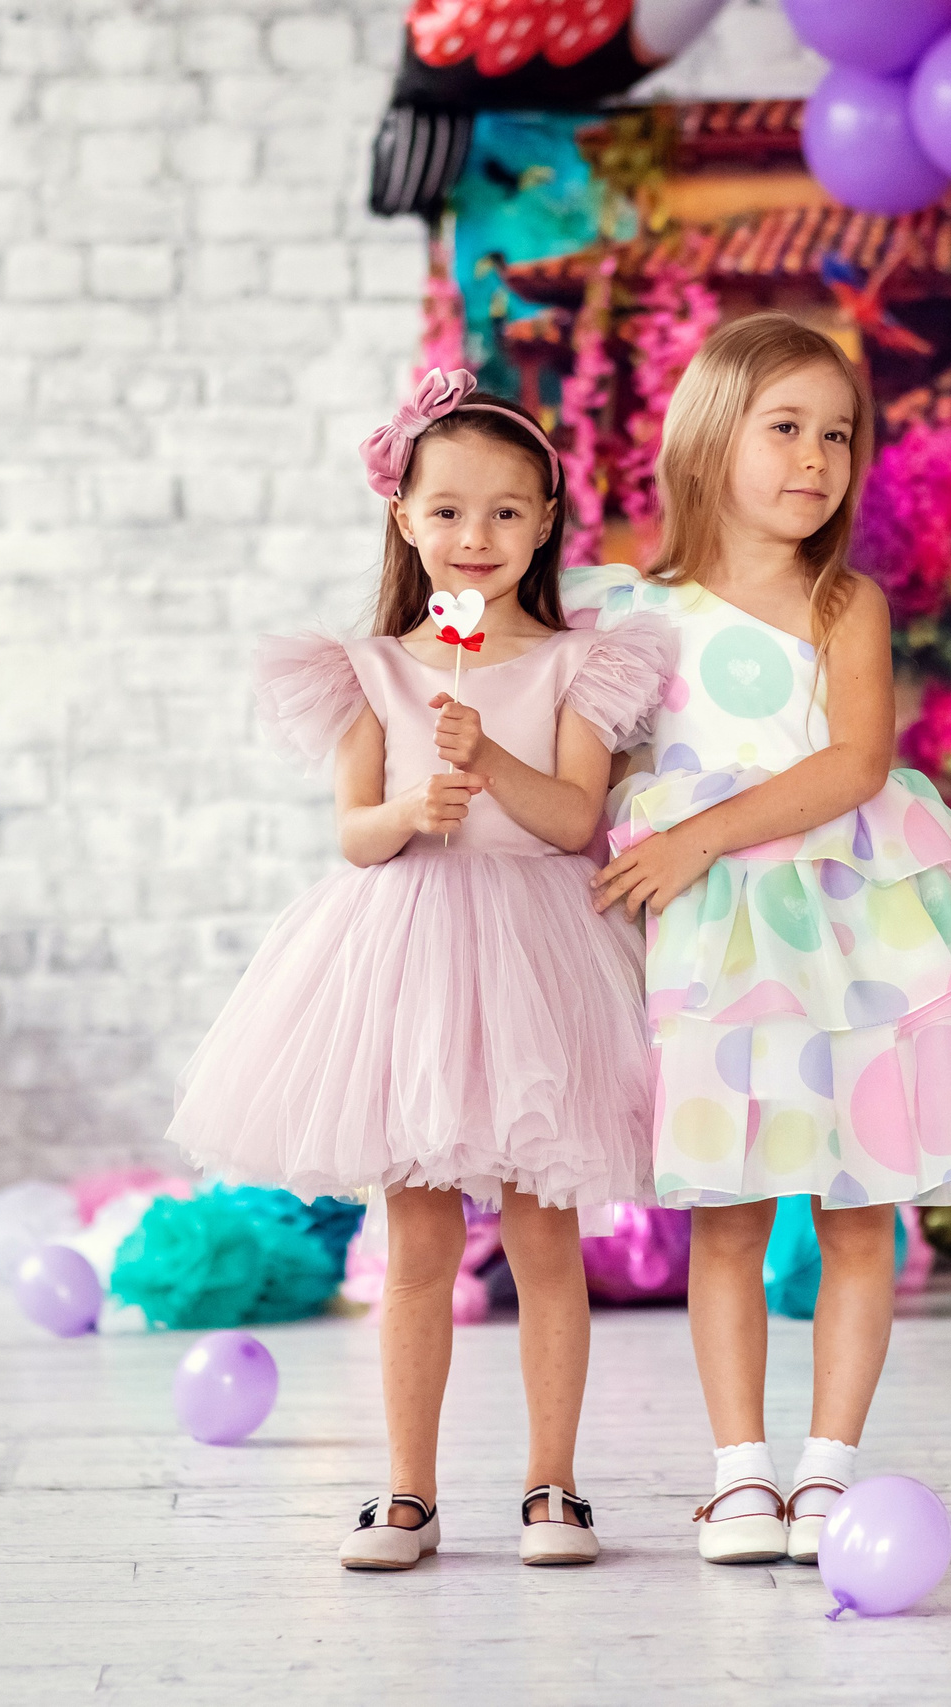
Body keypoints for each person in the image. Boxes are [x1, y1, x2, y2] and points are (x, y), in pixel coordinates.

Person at [168, 369, 674, 1574]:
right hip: (407, 962)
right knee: (420, 1249)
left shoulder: (576, 664)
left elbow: (572, 823)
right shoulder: (375, 668)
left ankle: (553, 1486)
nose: (476, 537)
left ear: (547, 522)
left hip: (539, 961)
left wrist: (489, 758)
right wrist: (411, 802)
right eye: (448, 510)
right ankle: (406, 1493)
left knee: (549, 1240)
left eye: (506, 512)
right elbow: (350, 831)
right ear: (404, 518)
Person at [564, 313, 951, 1566]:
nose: (816, 457)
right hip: (717, 956)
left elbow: (854, 761)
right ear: (711, 437)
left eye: (837, 435)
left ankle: (827, 1467)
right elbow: (574, 765)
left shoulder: (844, 603)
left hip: (853, 936)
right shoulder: (632, 610)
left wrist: (705, 833)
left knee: (860, 1206)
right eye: (786, 428)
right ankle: (738, 1475)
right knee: (725, 1211)